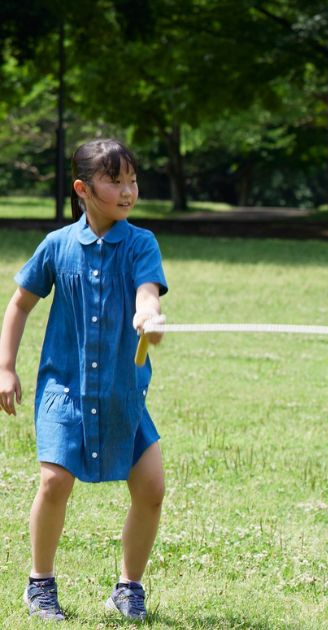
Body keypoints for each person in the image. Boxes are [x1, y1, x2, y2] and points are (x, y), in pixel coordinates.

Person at [0, 139, 168, 621]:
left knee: (151, 486)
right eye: (115, 181)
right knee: (53, 483)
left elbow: (147, 292)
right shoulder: (56, 246)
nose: (128, 190)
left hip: (121, 391)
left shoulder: (141, 244)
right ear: (83, 188)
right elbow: (19, 305)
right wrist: (5, 367)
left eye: (132, 180)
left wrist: (148, 317)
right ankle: (40, 584)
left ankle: (128, 587)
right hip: (65, 390)